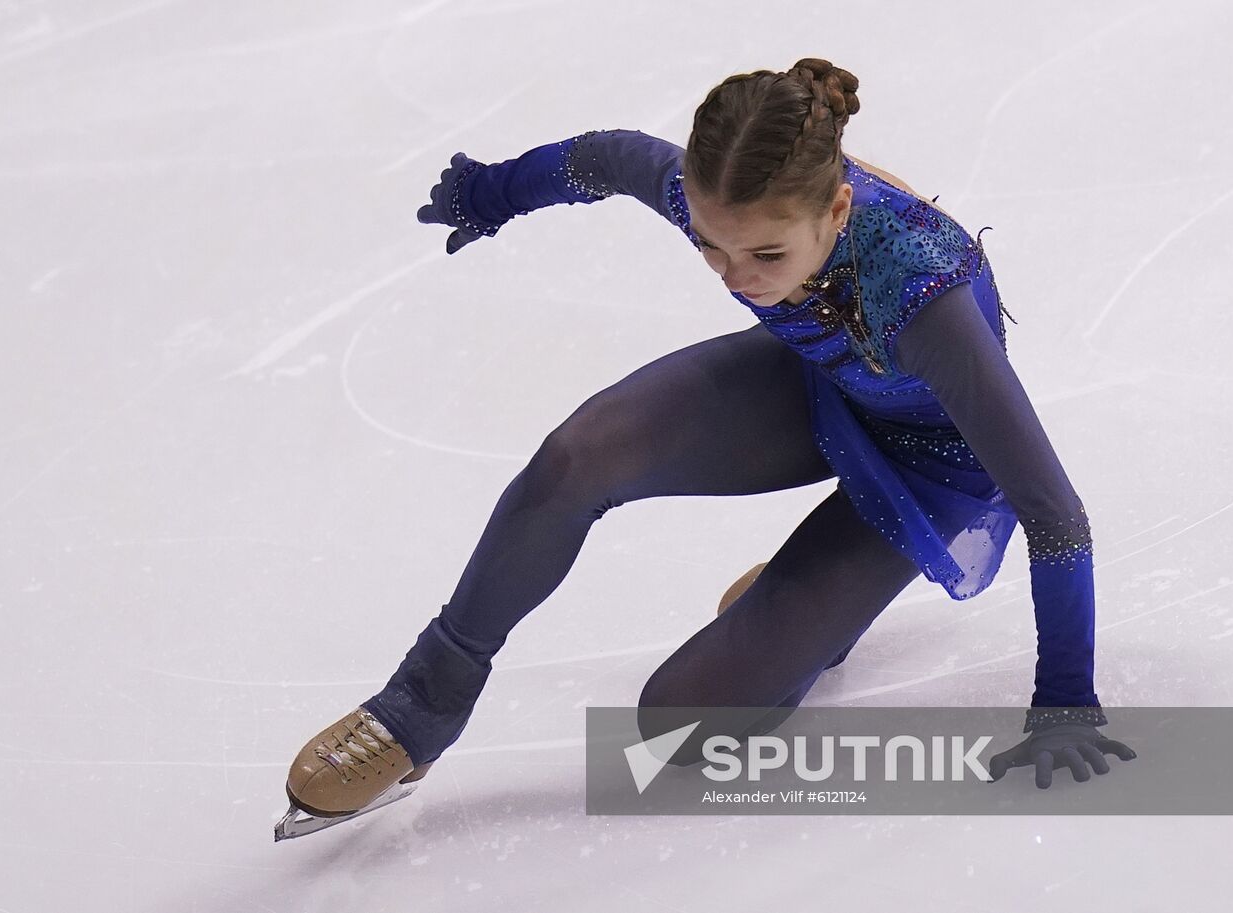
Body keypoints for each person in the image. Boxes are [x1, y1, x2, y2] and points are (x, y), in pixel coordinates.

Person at [283, 58, 1136, 823]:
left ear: (837, 209)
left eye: (764, 253)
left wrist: (1065, 699)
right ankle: (419, 705)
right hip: (820, 383)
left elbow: (1054, 513)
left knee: (677, 722)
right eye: (707, 243)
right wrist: (494, 193)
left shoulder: (924, 296)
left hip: (932, 468)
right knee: (580, 453)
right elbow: (607, 156)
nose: (734, 276)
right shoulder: (713, 197)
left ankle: (824, 595)